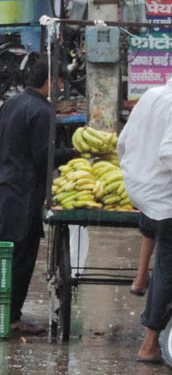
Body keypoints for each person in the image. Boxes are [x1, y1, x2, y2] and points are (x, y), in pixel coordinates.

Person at [0, 57, 72, 334]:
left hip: (4, 187)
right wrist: (76, 154)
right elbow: (43, 157)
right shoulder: (42, 111)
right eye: (60, 81)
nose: (61, 87)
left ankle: (3, 313)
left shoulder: (11, 103)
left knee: (7, 255)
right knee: (22, 259)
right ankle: (12, 319)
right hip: (24, 193)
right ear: (50, 82)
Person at [116, 77, 172, 364]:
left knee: (151, 226)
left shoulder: (151, 95)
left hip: (140, 187)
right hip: (164, 196)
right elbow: (169, 153)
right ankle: (149, 344)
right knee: (167, 263)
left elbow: (123, 141)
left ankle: (140, 278)